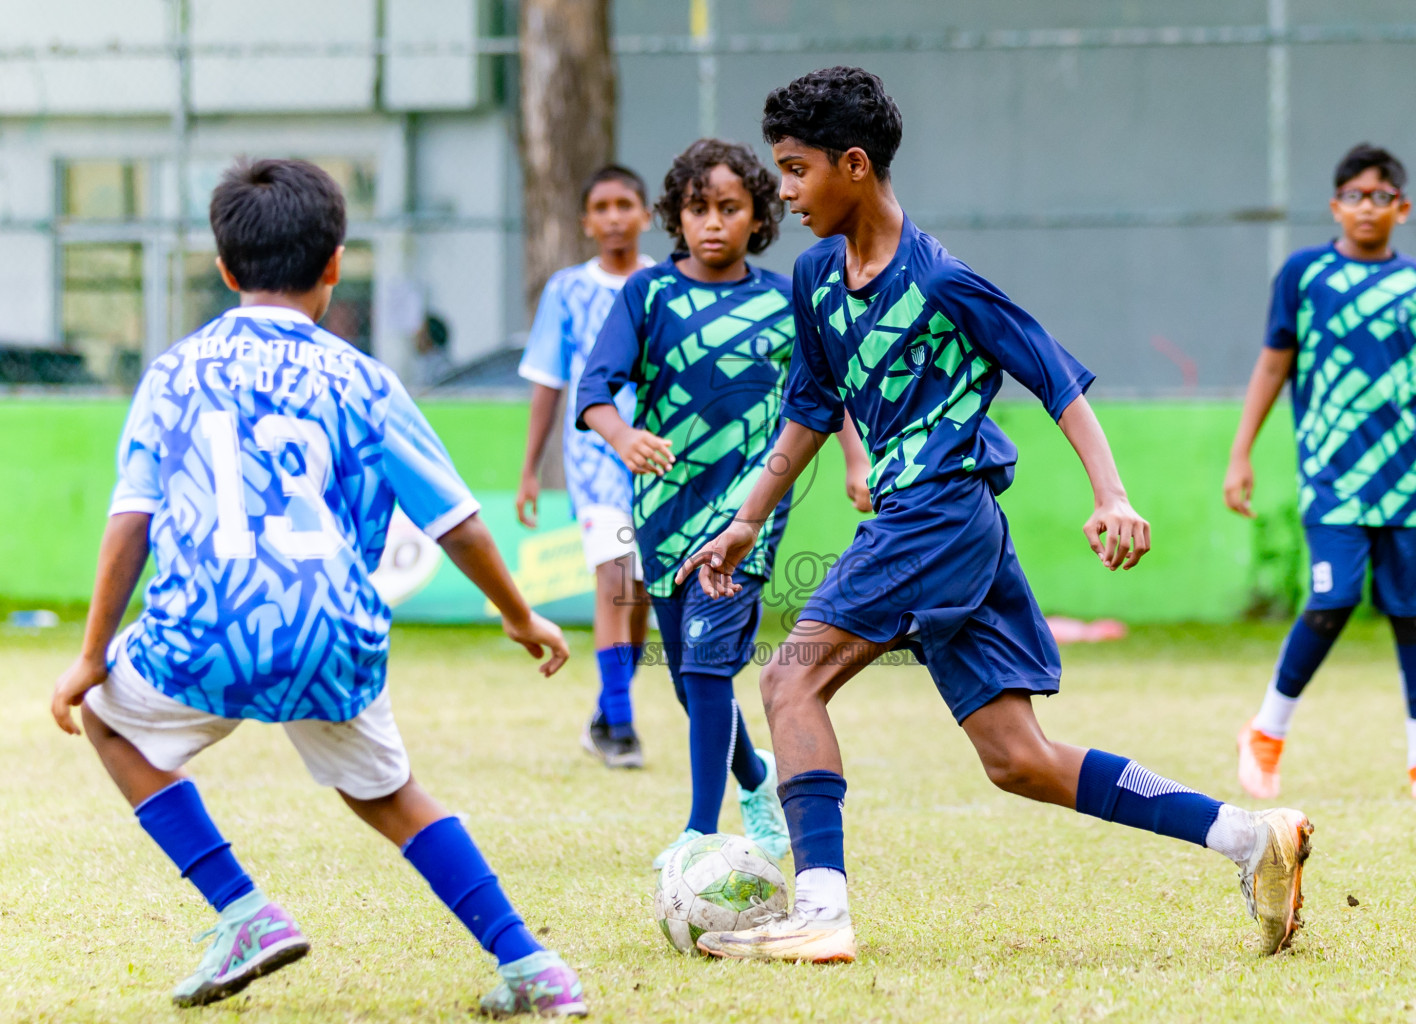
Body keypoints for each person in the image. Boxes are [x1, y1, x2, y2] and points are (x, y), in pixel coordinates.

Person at [674, 66, 1313, 963]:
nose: (784, 191)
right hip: (933, 524)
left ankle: (821, 911)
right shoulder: (815, 276)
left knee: (788, 680)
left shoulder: (943, 281)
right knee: (1019, 758)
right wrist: (747, 518)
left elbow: (1055, 378)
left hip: (937, 516)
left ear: (853, 165)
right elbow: (811, 409)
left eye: (795, 168)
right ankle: (1252, 837)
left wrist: (1113, 493)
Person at [48, 159, 587, 1018]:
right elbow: (457, 519)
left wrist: (87, 658)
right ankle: (531, 964)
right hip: (331, 627)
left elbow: (132, 520)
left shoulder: (175, 375)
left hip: (208, 627)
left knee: (113, 720)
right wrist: (520, 617)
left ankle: (242, 910)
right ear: (336, 263)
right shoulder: (364, 379)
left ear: (224, 270)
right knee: (389, 795)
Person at [576, 139, 871, 870]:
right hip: (663, 511)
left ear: (758, 215)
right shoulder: (647, 295)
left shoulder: (784, 299)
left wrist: (856, 459)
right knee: (688, 678)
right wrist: (622, 436)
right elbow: (592, 392)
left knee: (709, 669)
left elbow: (826, 394)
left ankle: (700, 832)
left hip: (747, 515)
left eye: (730, 208)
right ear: (676, 216)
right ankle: (756, 779)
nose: (713, 223)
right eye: (697, 208)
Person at [1226, 144, 1416, 803]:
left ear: (1401, 209)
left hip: (1408, 482)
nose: (1365, 207)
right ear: (1334, 206)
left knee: (1414, 615)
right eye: (1353, 195)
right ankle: (1266, 732)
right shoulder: (1304, 275)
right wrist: (1241, 454)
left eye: (1380, 196)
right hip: (1333, 478)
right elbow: (1272, 366)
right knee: (1333, 598)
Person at [517, 165, 654, 769]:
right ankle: (621, 727)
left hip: (658, 458)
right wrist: (530, 469)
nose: (614, 216)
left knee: (646, 592)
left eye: (626, 203)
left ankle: (606, 709)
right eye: (602, 206)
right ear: (586, 221)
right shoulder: (566, 289)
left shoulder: (666, 284)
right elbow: (550, 382)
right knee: (615, 576)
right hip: (594, 458)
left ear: (647, 215)